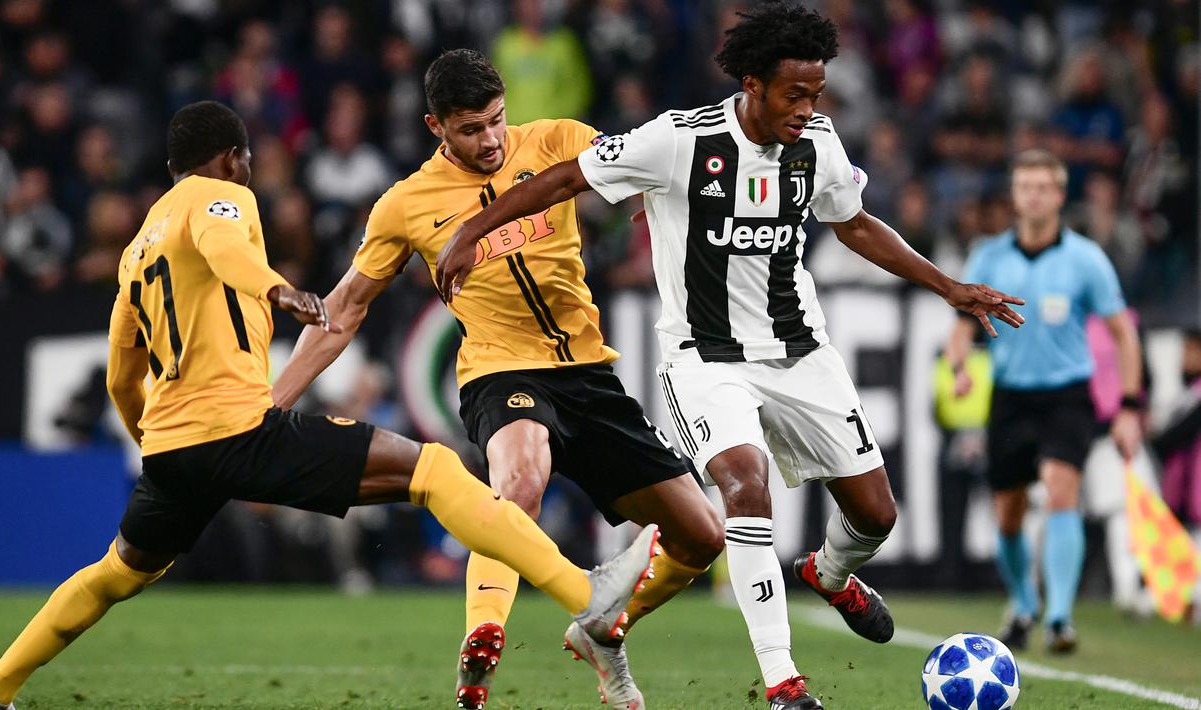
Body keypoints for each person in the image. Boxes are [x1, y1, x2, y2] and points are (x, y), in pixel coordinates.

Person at [0, 101, 661, 710]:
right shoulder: (221, 197)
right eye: (245, 161)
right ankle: (588, 593)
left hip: (172, 450)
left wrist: (153, 444)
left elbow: (124, 377)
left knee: (114, 573)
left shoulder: (135, 252)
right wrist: (278, 290)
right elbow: (224, 248)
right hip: (239, 429)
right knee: (436, 471)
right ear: (232, 158)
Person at [434, 5, 1023, 709]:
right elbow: (563, 179)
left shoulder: (818, 144)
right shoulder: (679, 140)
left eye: (816, 95)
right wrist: (471, 230)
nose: (807, 109)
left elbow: (856, 224)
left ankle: (830, 574)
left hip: (800, 351)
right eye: (793, 95)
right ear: (752, 84)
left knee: (876, 516)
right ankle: (783, 681)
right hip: (705, 358)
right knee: (745, 486)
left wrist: (948, 286)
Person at [270, 51, 723, 710]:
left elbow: (650, 162)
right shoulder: (405, 203)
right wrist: (269, 406)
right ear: (435, 126)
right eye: (470, 129)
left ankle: (604, 626)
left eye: (495, 121)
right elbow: (344, 310)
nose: (489, 141)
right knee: (521, 479)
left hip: (588, 374)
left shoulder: (558, 140)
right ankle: (483, 635)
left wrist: (657, 199)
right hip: (499, 369)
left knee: (701, 535)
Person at [946, 148, 1144, 653]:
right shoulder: (988, 257)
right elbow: (962, 327)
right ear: (1014, 196)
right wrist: (959, 368)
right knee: (1008, 514)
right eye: (1024, 187)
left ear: (1059, 195)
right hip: (1010, 396)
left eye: (1042, 187)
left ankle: (1059, 618)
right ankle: (1022, 605)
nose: (1033, 196)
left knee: (1061, 491)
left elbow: (1123, 333)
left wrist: (1128, 406)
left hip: (1067, 397)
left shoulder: (1086, 259)